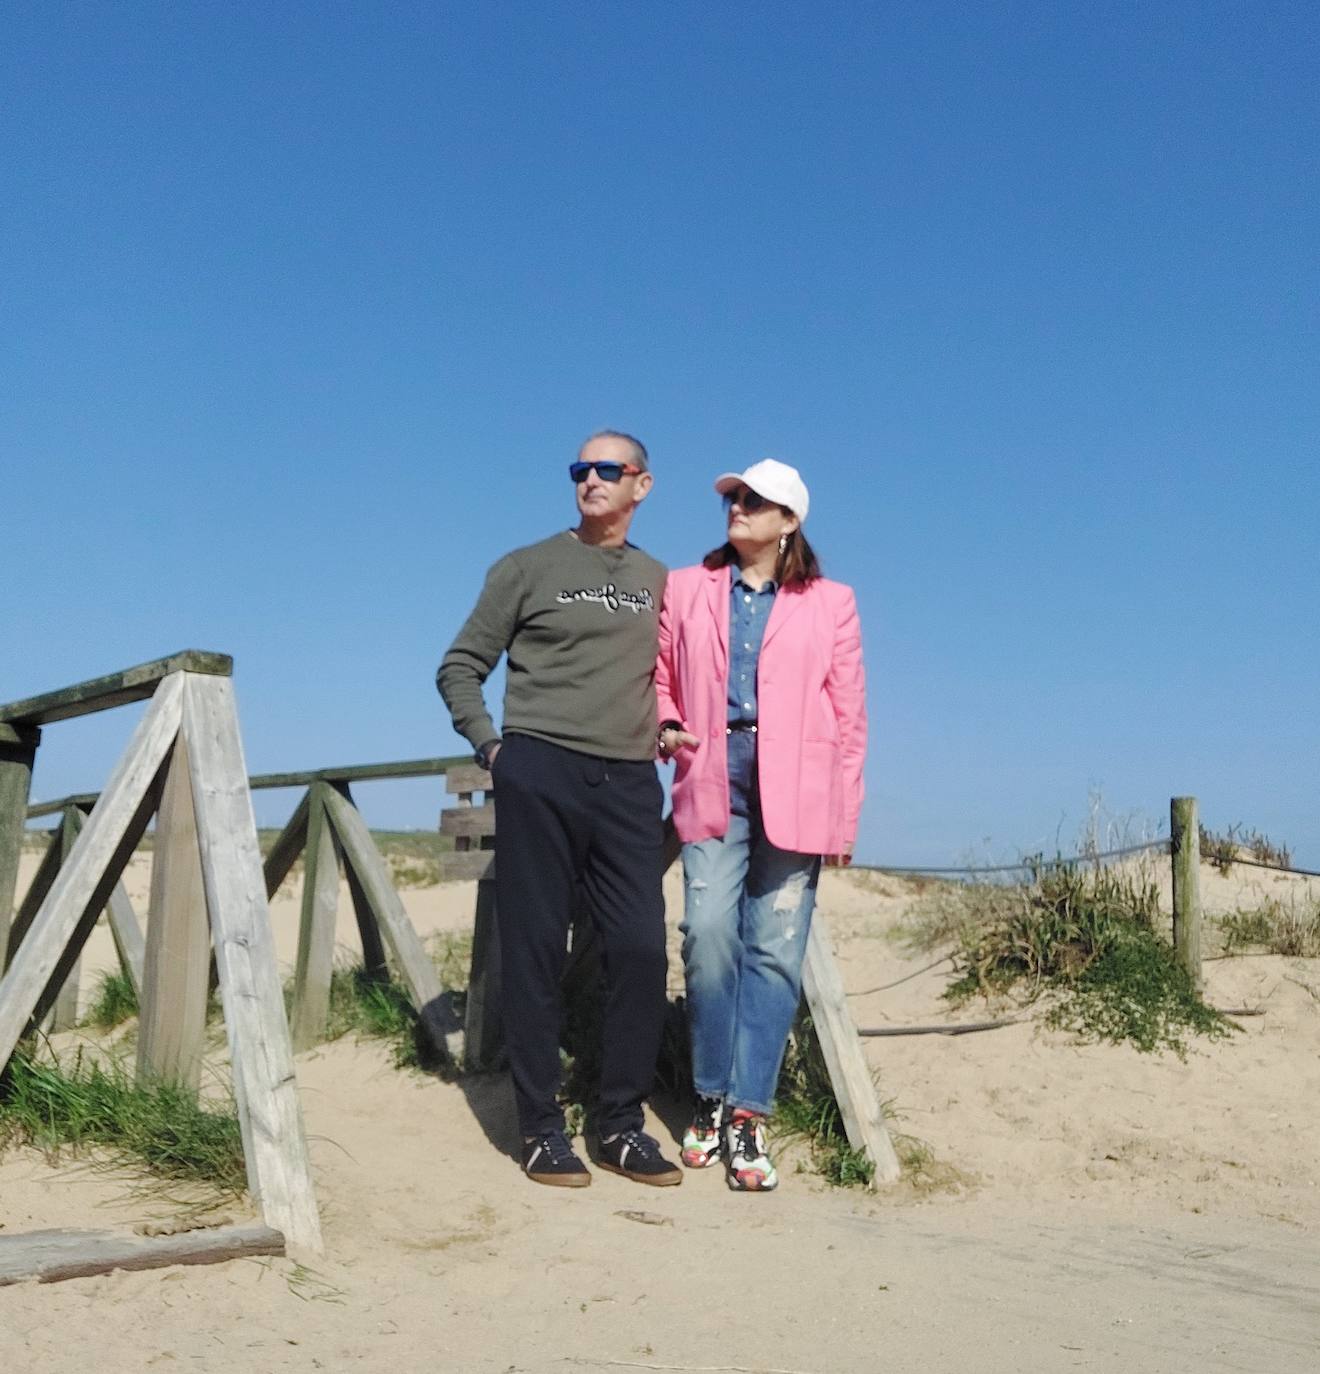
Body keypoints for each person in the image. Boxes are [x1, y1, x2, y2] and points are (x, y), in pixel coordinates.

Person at [437, 431, 681, 1189]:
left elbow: (674, 671)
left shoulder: (660, 580)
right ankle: (542, 1129)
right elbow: (459, 667)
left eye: (608, 469)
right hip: (540, 768)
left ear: (642, 485)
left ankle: (619, 1125)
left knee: (640, 951)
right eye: (581, 469)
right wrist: (494, 750)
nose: (590, 480)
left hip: (632, 782)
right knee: (536, 950)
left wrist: (670, 723)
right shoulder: (526, 566)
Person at [654, 458, 866, 1191]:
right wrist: (668, 721)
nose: (736, 506)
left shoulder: (831, 602)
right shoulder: (685, 588)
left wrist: (844, 816)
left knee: (775, 950)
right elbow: (659, 674)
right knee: (707, 935)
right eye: (733, 497)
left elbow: (848, 713)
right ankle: (708, 1093)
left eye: (754, 500)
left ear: (789, 521)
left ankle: (748, 1113)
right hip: (713, 777)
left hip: (800, 790)